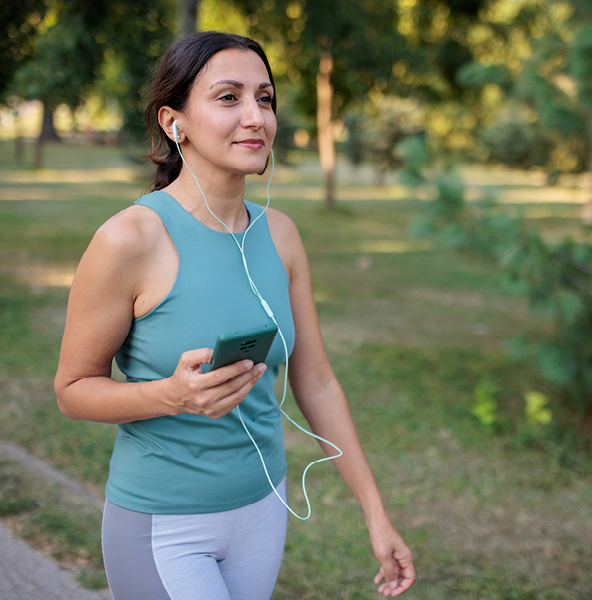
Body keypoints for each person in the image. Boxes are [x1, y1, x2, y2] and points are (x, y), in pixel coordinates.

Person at [54, 30, 415, 600]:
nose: (255, 117)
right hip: (166, 526)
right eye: (229, 97)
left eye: (265, 98)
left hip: (263, 511)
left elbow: (316, 381)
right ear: (176, 122)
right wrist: (170, 395)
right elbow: (72, 390)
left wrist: (376, 514)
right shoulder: (130, 238)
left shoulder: (283, 236)